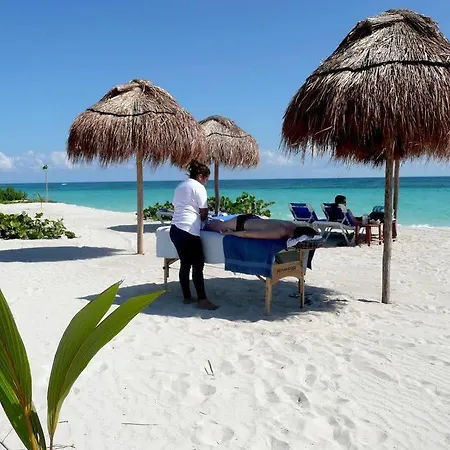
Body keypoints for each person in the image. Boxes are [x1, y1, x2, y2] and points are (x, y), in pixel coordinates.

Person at [170, 160, 218, 310]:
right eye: (206, 179)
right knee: (198, 265)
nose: (206, 182)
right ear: (200, 176)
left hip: (175, 229)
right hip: (188, 230)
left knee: (185, 264)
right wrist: (205, 221)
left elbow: (177, 206)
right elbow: (203, 212)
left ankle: (187, 297)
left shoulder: (180, 186)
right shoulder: (199, 187)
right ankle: (202, 300)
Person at [204, 213, 320, 240]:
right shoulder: (280, 232)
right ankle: (204, 221)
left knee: (217, 224)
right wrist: (231, 233)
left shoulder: (292, 224)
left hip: (253, 219)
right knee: (214, 226)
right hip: (242, 223)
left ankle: (208, 220)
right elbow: (246, 234)